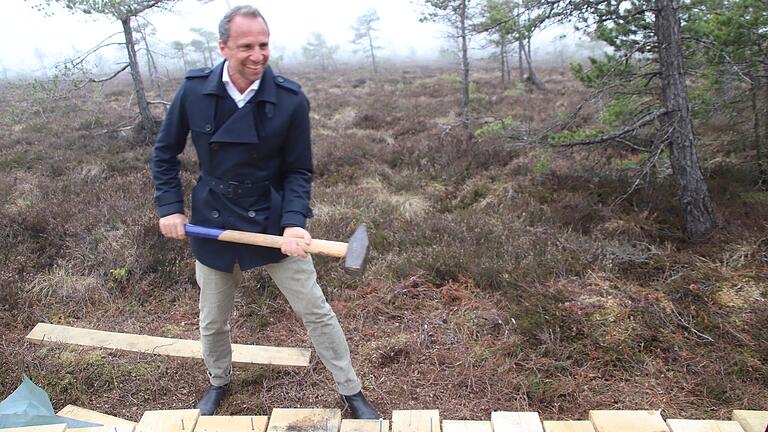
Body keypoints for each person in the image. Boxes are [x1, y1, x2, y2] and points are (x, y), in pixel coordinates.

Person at [151, 5, 379, 419]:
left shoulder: (290, 99)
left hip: (272, 222)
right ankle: (218, 381)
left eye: (264, 45)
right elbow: (165, 154)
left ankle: (351, 391)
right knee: (213, 320)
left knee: (316, 311)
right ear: (223, 47)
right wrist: (170, 208)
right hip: (213, 222)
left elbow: (298, 170)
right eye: (246, 46)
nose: (258, 55)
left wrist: (294, 223)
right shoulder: (194, 91)